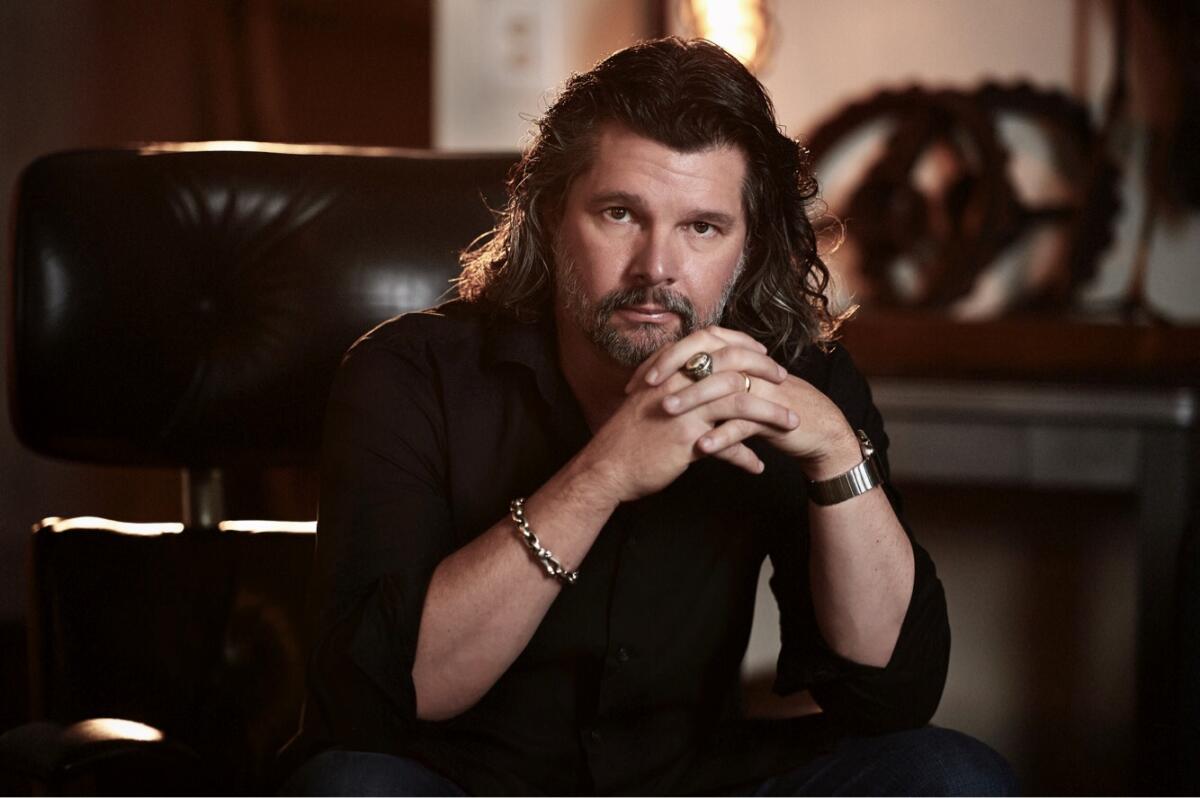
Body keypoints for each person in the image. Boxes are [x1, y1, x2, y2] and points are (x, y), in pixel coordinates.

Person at [284, 37, 1016, 795]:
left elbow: (891, 695)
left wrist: (835, 452)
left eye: (702, 227)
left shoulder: (798, 382)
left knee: (952, 777)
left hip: (688, 781)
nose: (656, 267)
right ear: (550, 217)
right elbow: (371, 706)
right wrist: (604, 474)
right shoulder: (410, 374)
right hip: (462, 783)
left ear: (746, 246)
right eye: (620, 213)